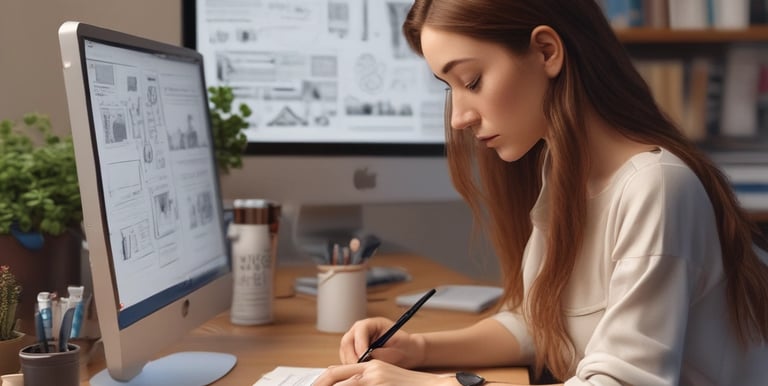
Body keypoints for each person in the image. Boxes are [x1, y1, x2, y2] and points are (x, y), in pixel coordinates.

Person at [312, 0, 768, 385]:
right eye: (449, 88)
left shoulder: (658, 188)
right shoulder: (564, 171)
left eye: (471, 81)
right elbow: (543, 323)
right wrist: (417, 349)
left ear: (547, 51)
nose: (458, 118)